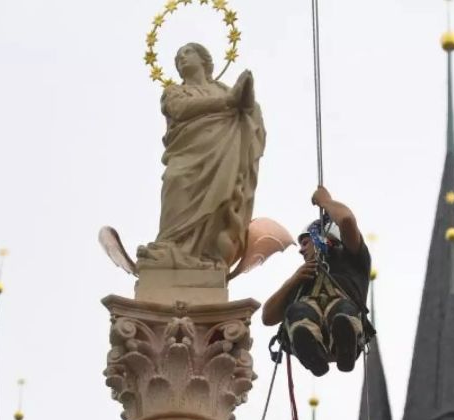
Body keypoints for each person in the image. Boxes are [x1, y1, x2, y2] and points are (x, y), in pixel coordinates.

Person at [137, 43, 266, 271]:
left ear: (204, 60)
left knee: (221, 199)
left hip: (222, 153)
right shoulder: (175, 91)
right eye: (178, 57)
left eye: (188, 52)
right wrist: (229, 102)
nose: (181, 58)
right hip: (186, 151)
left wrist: (247, 95)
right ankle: (170, 245)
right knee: (175, 180)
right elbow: (179, 109)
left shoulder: (224, 89)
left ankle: (205, 254)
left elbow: (249, 113)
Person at [262, 186, 372, 376]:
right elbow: (268, 316)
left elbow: (346, 220)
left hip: (345, 327)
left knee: (342, 310)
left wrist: (326, 201)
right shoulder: (302, 281)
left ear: (322, 237)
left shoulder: (352, 259)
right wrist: (294, 280)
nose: (301, 250)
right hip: (314, 334)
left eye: (306, 242)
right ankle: (313, 350)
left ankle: (344, 340)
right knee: (299, 311)